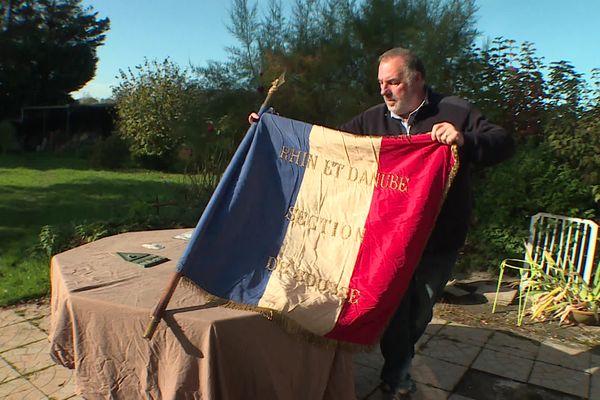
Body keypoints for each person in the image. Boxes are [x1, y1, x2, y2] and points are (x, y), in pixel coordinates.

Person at [249, 47, 514, 399]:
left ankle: (399, 359)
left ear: (417, 79)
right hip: (387, 239)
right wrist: (276, 128)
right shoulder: (372, 119)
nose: (385, 92)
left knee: (420, 312)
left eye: (393, 82)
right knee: (392, 308)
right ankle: (397, 373)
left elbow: (503, 143)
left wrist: (464, 140)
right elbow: (330, 145)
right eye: (381, 84)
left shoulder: (455, 111)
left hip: (439, 239)